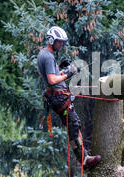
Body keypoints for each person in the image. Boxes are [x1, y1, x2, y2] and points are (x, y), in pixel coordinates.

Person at [37, 26, 101, 169]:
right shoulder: (47, 56)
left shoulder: (43, 54)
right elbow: (52, 80)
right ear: (52, 40)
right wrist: (68, 74)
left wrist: (62, 69)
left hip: (56, 96)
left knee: (73, 124)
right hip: (58, 98)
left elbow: (46, 76)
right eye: (59, 42)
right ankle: (84, 160)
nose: (61, 45)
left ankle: (84, 158)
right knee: (73, 124)